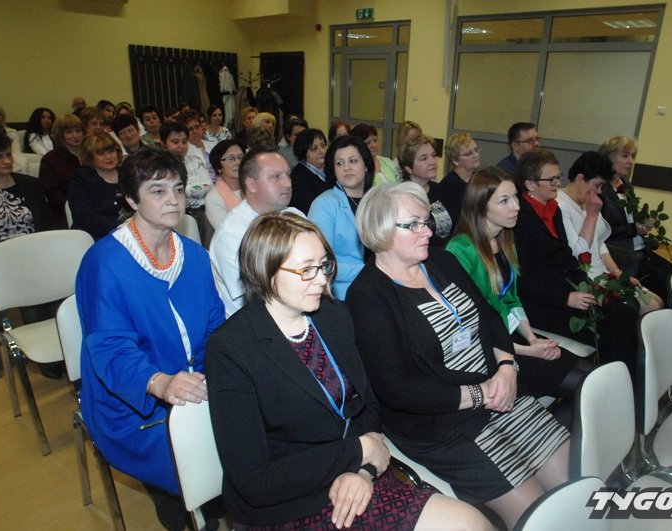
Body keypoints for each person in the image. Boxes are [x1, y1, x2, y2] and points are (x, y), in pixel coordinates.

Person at [207, 211, 492, 530]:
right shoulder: (232, 349)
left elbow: (367, 404)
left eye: (324, 265)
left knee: (471, 523)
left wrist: (363, 470)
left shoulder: (332, 315)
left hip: (356, 471)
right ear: (265, 271)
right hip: (288, 503)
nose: (321, 280)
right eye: (306, 270)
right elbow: (254, 480)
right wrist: (357, 452)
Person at [345, 182, 570, 529]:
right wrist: (480, 395)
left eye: (426, 221)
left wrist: (507, 367)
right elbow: (398, 389)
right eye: (414, 224)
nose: (427, 231)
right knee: (538, 511)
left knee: (570, 484)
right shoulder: (367, 296)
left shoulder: (441, 261)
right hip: (442, 421)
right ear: (381, 231)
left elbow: (489, 318)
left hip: (499, 389)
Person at [76, 147, 225, 531]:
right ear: (131, 199)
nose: (173, 199)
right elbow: (110, 349)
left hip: (195, 383)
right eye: (157, 190)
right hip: (132, 399)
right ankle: (191, 514)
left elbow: (215, 326)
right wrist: (161, 383)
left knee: (251, 433)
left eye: (178, 188)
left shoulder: (193, 256)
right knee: (189, 463)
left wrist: (222, 374)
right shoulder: (104, 262)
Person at [446, 167, 590, 425]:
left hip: (512, 337)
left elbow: (512, 299)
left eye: (515, 197)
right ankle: (557, 440)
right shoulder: (460, 250)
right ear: (480, 206)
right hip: (489, 351)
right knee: (588, 387)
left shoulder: (503, 240)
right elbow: (471, 326)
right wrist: (527, 350)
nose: (516, 207)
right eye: (504, 201)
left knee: (593, 374)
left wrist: (532, 337)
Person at [513, 148, 640, 374]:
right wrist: (567, 297)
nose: (557, 183)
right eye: (551, 179)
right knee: (612, 324)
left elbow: (568, 258)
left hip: (563, 290)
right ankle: (613, 381)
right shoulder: (520, 219)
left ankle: (622, 379)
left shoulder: (553, 210)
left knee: (623, 312)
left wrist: (589, 286)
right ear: (530, 184)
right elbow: (521, 280)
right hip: (541, 302)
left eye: (558, 177)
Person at [556, 151, 662, 315]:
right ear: (580, 178)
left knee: (657, 301)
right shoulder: (560, 206)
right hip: (586, 278)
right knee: (651, 307)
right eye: (597, 185)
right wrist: (592, 215)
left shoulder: (587, 201)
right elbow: (578, 253)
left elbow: (600, 244)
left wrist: (617, 273)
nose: (599, 192)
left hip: (603, 274)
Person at [210, 148, 303, 316]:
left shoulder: (295, 215)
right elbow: (251, 299)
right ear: (252, 185)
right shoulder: (232, 234)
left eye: (288, 175)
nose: (287, 184)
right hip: (255, 320)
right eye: (276, 177)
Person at [598, 136, 672, 300]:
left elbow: (630, 216)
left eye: (633, 156)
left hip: (639, 248)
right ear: (609, 157)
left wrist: (643, 222)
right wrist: (634, 228)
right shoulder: (600, 188)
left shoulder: (625, 185)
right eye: (625, 156)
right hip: (622, 252)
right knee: (668, 286)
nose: (631, 161)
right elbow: (603, 229)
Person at [0, 127, 54, 279]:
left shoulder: (31, 185)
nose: (7, 161)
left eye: (8, 154)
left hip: (39, 260)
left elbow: (49, 226)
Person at [309, 135, 374, 299]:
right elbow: (322, 263)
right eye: (339, 163)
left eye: (353, 161)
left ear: (366, 165)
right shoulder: (324, 204)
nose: (346, 168)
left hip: (379, 286)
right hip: (343, 292)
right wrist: (372, 271)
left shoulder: (377, 200)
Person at [160, 120, 213, 246]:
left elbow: (210, 186)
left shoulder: (195, 160)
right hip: (179, 213)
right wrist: (198, 189)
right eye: (175, 142)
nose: (181, 146)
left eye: (184, 142)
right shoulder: (160, 169)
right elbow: (179, 193)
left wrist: (189, 190)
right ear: (163, 144)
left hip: (204, 209)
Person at [68, 132, 125, 240]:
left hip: (131, 233)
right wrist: (123, 227)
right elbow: (86, 218)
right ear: (90, 157)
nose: (108, 157)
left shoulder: (127, 173)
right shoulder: (81, 178)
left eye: (111, 151)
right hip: (96, 237)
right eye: (101, 154)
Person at [399, 134, 453, 246]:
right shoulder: (402, 197)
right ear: (409, 168)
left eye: (433, 155)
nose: (433, 162)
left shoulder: (441, 190)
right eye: (424, 158)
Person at [38, 114, 83, 227]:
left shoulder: (91, 154)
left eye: (78, 131)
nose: (75, 135)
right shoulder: (50, 159)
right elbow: (52, 194)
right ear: (60, 135)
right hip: (65, 212)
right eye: (69, 132)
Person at [441, 132, 482, 225]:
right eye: (469, 153)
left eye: (476, 150)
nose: (476, 155)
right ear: (455, 160)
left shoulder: (479, 178)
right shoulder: (448, 186)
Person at [205, 139, 245, 231]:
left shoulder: (255, 187)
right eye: (231, 158)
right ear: (218, 166)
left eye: (240, 157)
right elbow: (227, 231)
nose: (238, 162)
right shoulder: (214, 198)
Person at [290, 128, 329, 214]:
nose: (321, 151)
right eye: (314, 149)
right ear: (304, 152)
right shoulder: (298, 178)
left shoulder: (331, 169)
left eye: (323, 146)